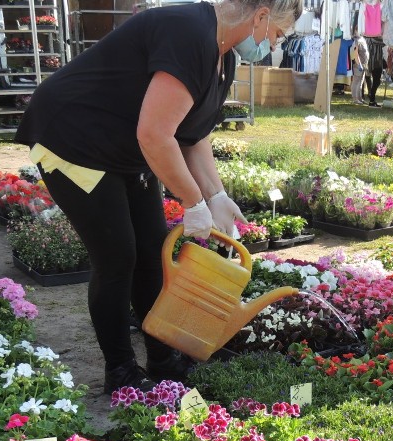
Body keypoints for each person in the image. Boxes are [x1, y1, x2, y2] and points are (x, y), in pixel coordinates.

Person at [15, 0, 302, 394]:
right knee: (118, 257)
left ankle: (163, 357)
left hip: (125, 147)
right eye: (278, 34)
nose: (273, 44)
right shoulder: (188, 33)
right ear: (262, 15)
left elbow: (193, 133)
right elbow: (155, 135)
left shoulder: (223, 56)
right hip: (73, 137)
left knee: (153, 251)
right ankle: (120, 370)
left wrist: (216, 195)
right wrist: (192, 202)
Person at [350, 33, 369, 105]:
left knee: (360, 82)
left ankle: (359, 98)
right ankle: (355, 98)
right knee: (356, 81)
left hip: (364, 63)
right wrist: (359, 64)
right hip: (358, 64)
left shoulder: (362, 39)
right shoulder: (356, 40)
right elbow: (355, 54)